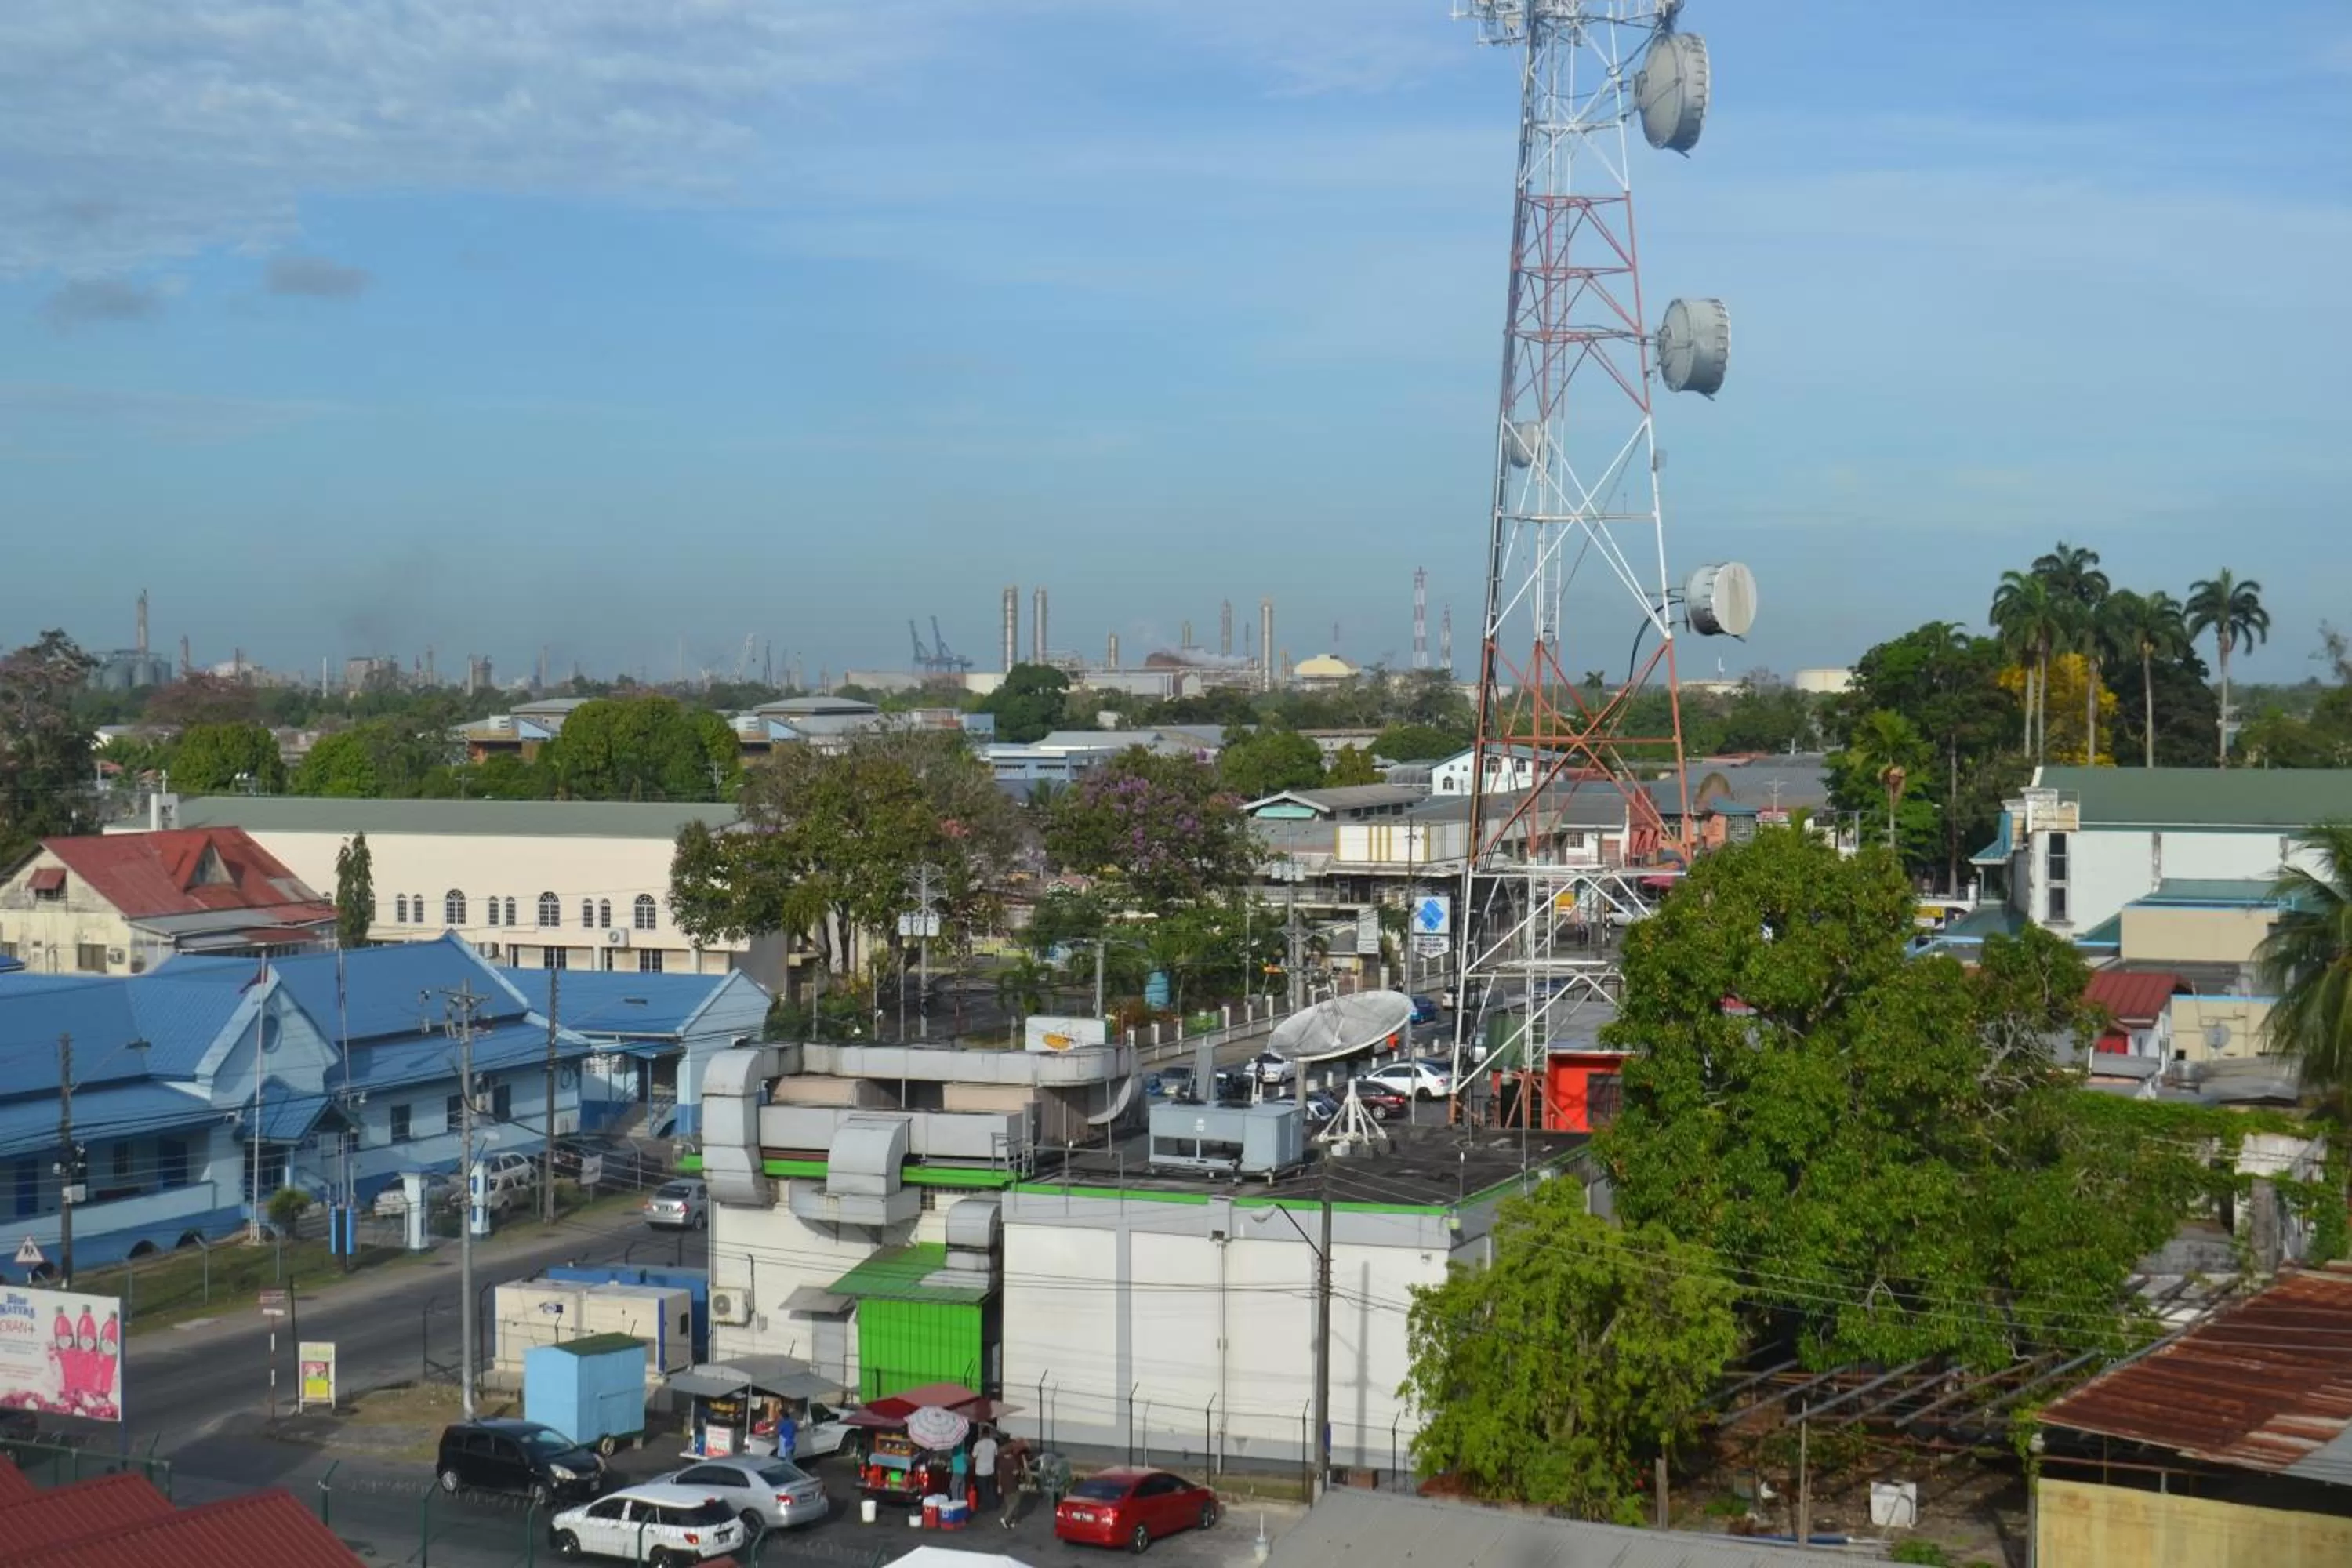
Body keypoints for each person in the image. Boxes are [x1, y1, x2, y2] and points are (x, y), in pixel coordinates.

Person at [996, 1436, 1027, 1529]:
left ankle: (1011, 1521)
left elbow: (999, 1472)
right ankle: (1006, 1519)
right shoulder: (1013, 1461)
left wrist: (999, 1485)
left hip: (1003, 1484)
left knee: (1009, 1503)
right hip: (1012, 1484)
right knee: (1015, 1503)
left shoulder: (1001, 1460)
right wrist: (1020, 1472)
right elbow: (1016, 1473)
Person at [972, 1427, 1000, 1512]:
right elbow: (996, 1455)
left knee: (982, 1490)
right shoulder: (993, 1443)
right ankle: (994, 1504)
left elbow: (974, 1456)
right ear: (989, 1434)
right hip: (990, 1469)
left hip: (980, 1471)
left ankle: (984, 1507)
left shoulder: (978, 1444)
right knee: (991, 1488)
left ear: (982, 1434)